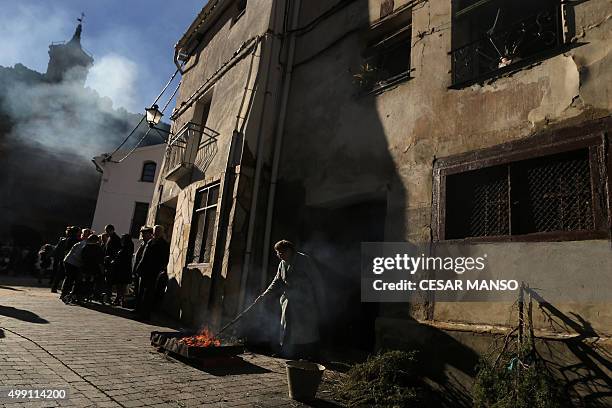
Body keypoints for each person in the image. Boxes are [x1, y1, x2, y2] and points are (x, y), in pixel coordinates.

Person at [260, 240, 323, 359]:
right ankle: (287, 352)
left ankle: (308, 354)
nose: (279, 255)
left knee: (305, 330)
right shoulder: (282, 264)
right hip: (288, 300)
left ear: (289, 250)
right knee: (287, 328)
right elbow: (277, 280)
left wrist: (318, 297)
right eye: (277, 253)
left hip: (304, 301)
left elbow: (316, 279)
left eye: (281, 252)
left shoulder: (304, 260)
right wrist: (265, 294)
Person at [134, 225, 169, 320]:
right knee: (141, 291)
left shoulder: (164, 244)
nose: (156, 233)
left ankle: (145, 313)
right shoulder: (150, 242)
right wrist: (139, 267)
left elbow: (164, 259)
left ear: (161, 233)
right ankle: (139, 311)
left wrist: (161, 270)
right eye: (155, 231)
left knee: (149, 293)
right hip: (145, 270)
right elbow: (144, 257)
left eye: (158, 231)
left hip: (153, 271)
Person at [61, 228, 92, 303]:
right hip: (72, 262)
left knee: (70, 278)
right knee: (71, 278)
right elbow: (78, 255)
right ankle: (66, 294)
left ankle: (66, 293)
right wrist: (82, 262)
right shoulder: (84, 244)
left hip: (70, 261)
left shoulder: (82, 243)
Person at [51, 227, 79, 293]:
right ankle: (65, 290)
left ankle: (54, 287)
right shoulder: (75, 240)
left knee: (59, 274)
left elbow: (57, 250)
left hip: (62, 258)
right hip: (70, 259)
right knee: (68, 276)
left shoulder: (63, 240)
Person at [133, 226, 153, 308]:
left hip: (143, 271)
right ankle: (137, 307)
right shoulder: (143, 244)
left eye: (145, 234)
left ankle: (139, 307)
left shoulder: (149, 244)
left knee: (141, 291)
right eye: (142, 234)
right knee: (137, 290)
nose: (143, 235)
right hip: (138, 270)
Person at [111, 234, 134, 307]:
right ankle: (121, 299)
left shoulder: (125, 247)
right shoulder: (129, 246)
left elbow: (122, 257)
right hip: (125, 268)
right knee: (122, 284)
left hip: (122, 268)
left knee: (120, 284)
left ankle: (120, 299)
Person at [80, 234, 104, 302]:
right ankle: (89, 295)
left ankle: (82, 295)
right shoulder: (98, 248)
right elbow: (100, 260)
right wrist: (102, 269)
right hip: (94, 268)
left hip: (85, 267)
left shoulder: (85, 247)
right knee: (92, 283)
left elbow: (82, 257)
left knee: (85, 282)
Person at [102, 225, 121, 303]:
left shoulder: (115, 239)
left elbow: (116, 251)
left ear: (111, 230)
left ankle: (108, 297)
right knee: (108, 281)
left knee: (109, 281)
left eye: (107, 230)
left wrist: (110, 257)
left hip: (111, 262)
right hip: (108, 261)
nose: (106, 232)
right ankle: (107, 296)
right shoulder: (111, 238)